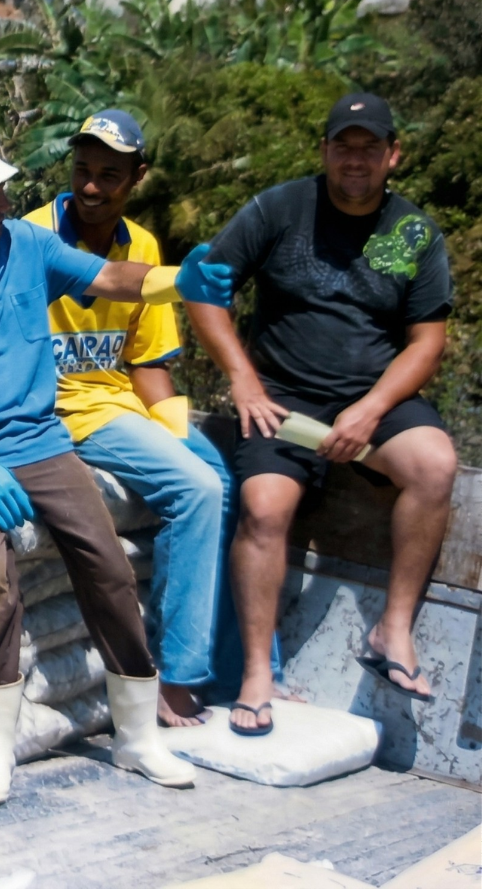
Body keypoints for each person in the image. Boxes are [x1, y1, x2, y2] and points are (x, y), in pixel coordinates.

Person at [0, 135, 233, 803]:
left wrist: (172, 280)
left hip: (40, 441)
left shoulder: (25, 245)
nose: (5, 203)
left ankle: (134, 739)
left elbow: (105, 278)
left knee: (107, 564)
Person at [189, 93, 455, 736]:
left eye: (370, 148)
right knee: (264, 508)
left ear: (394, 155)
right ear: (326, 151)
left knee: (434, 465)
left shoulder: (415, 232)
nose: (355, 160)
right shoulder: (280, 209)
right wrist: (243, 379)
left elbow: (427, 342)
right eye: (344, 146)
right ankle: (256, 675)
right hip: (281, 399)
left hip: (374, 396)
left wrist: (370, 410)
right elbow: (204, 285)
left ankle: (392, 630)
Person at [21, 110, 230, 728]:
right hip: (65, 407)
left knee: (222, 474)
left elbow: (147, 363)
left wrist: (175, 431)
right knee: (197, 489)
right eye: (83, 170)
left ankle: (244, 663)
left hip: (118, 401)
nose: (91, 186)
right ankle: (179, 677)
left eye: (109, 175)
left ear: (136, 177)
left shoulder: (142, 245)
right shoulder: (34, 235)